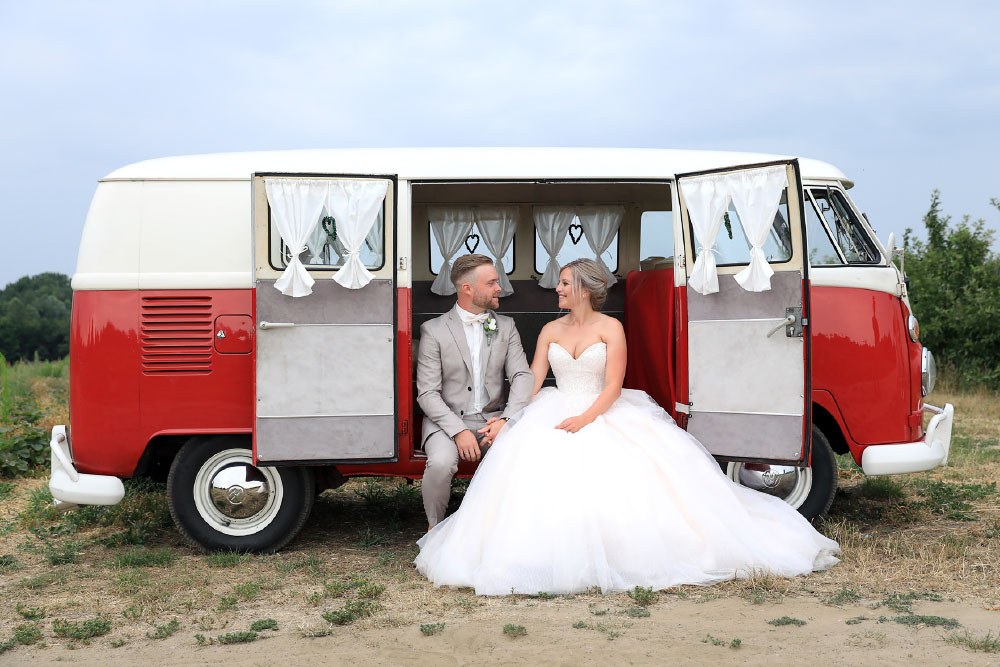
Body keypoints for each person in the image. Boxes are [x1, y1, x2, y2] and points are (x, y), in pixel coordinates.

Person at [415, 258, 840, 595]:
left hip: (601, 408)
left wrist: (584, 418)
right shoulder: (548, 329)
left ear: (581, 289)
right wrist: (515, 417)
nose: (557, 289)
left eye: (563, 283)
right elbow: (531, 376)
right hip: (555, 404)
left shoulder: (611, 328)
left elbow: (614, 386)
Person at [415, 253, 534, 532]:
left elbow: (522, 375)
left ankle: (505, 529)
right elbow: (427, 393)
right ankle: (435, 528)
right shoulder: (433, 330)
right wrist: (458, 431)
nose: (499, 288)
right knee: (442, 463)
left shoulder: (506, 326)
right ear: (467, 288)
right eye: (492, 283)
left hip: (494, 420)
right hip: (446, 422)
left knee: (518, 461)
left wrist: (507, 420)